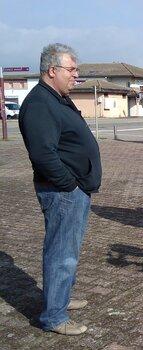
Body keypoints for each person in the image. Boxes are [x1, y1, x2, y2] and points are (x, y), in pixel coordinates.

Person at [18, 43, 102, 335]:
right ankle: (54, 316)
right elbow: (42, 154)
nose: (75, 75)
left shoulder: (57, 98)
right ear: (52, 70)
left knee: (69, 250)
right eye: (71, 69)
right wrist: (70, 185)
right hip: (62, 192)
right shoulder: (40, 103)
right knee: (61, 252)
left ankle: (60, 299)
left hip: (72, 190)